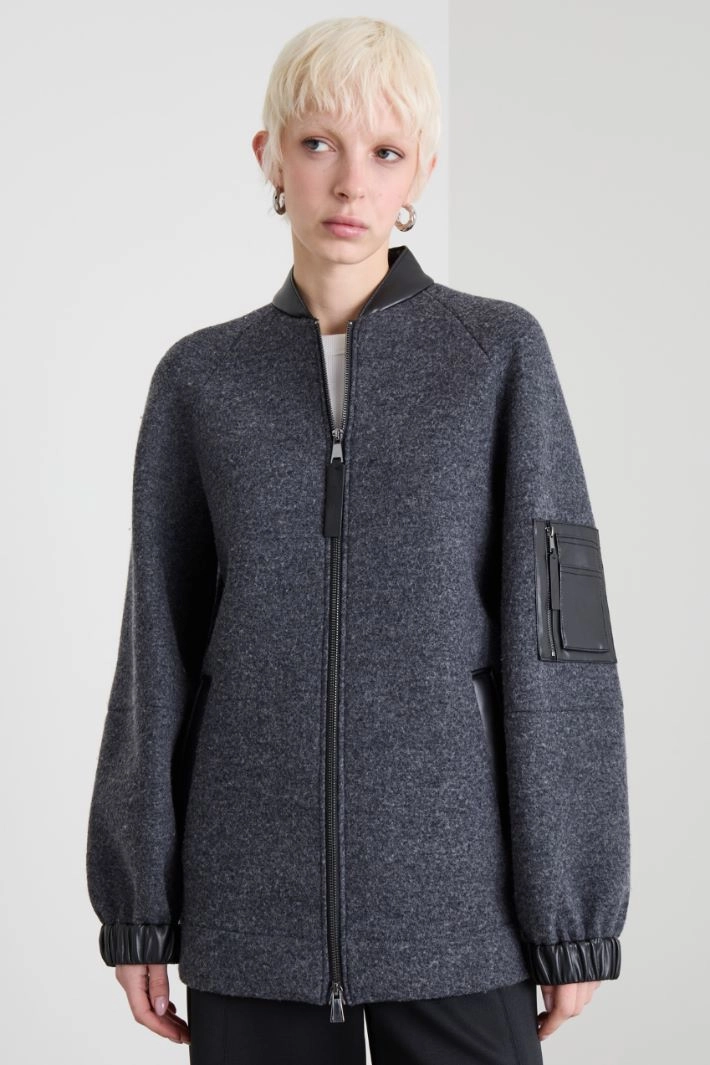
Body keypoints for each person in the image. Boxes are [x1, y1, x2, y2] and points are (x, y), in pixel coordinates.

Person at [86, 16, 631, 1065]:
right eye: (318, 144)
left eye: (385, 151)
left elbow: (560, 646)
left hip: (458, 918)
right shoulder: (201, 382)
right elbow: (153, 656)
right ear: (269, 159)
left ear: (421, 170)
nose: (349, 183)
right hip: (255, 923)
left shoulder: (496, 358)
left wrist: (572, 909)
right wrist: (139, 905)